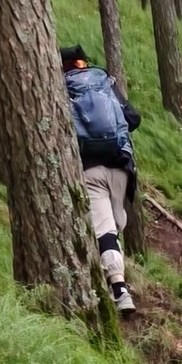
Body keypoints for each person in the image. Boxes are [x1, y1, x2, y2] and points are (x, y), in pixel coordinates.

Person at [62, 46, 142, 317]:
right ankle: (116, 278)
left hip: (89, 169)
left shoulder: (62, 86)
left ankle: (119, 290)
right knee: (115, 228)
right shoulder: (103, 82)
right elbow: (133, 119)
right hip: (120, 167)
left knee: (105, 232)